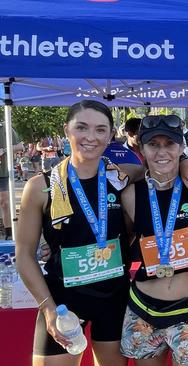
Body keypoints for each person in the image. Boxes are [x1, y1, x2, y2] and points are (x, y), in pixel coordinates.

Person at [16, 100, 131, 366]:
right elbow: (24, 254)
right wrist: (48, 309)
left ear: (111, 135)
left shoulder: (124, 180)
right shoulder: (40, 186)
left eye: (101, 130)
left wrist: (184, 161)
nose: (91, 137)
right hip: (62, 301)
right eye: (82, 127)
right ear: (66, 130)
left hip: (113, 297)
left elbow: (164, 167)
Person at [120, 114, 188, 365]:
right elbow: (126, 236)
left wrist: (185, 162)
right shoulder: (130, 194)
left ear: (182, 147)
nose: (162, 152)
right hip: (143, 309)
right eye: (153, 145)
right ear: (141, 149)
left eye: (170, 144)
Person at [0, 121, 23, 239]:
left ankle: (9, 234)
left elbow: (20, 146)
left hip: (2, 172)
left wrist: (4, 149)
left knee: (5, 202)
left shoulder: (5, 126)